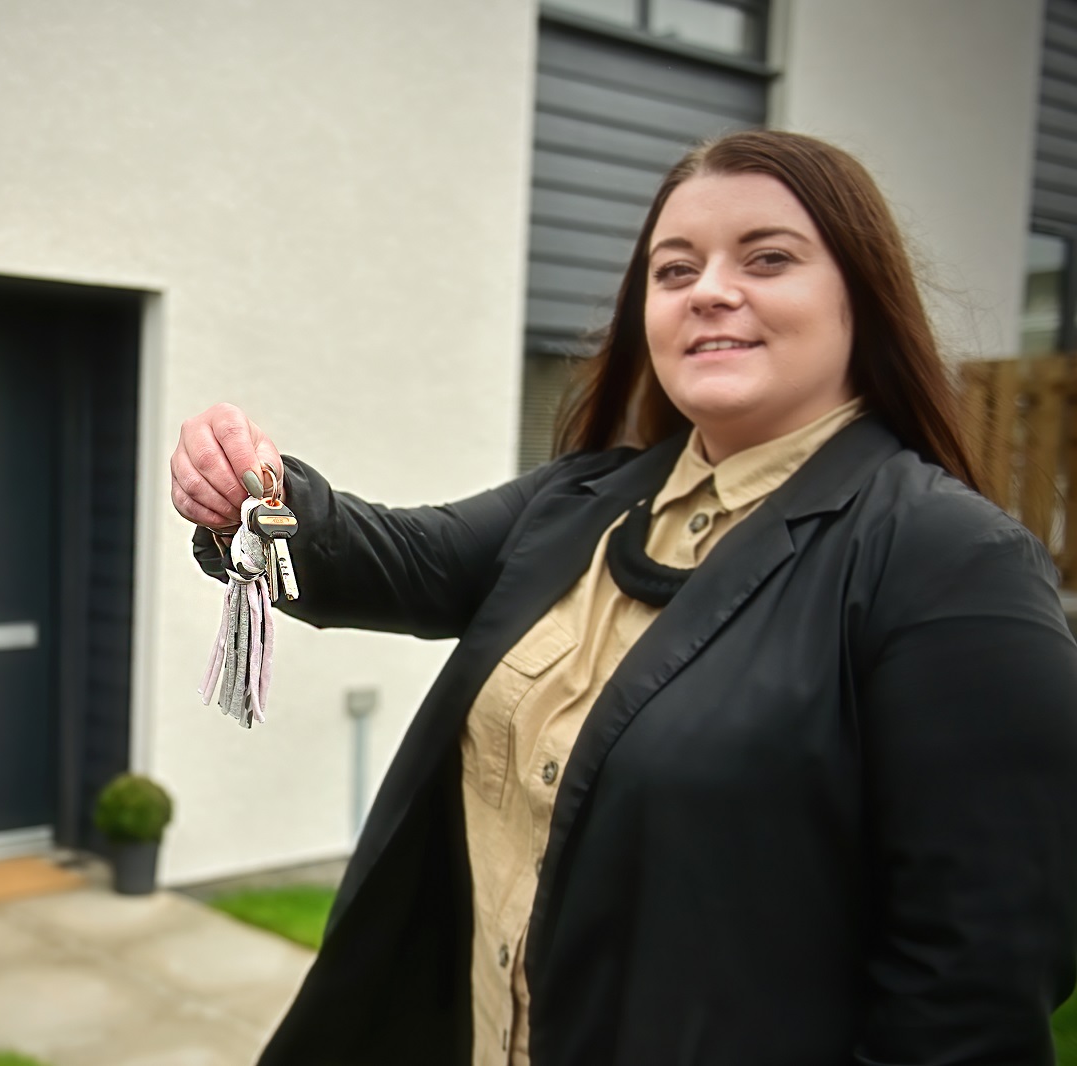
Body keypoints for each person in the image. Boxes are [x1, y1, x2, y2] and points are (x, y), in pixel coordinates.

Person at [171, 130, 1077, 1065]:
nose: (710, 290)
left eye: (767, 258)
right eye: (674, 269)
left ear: (862, 295)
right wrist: (261, 494)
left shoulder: (951, 562)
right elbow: (397, 557)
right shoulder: (583, 501)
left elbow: (975, 984)